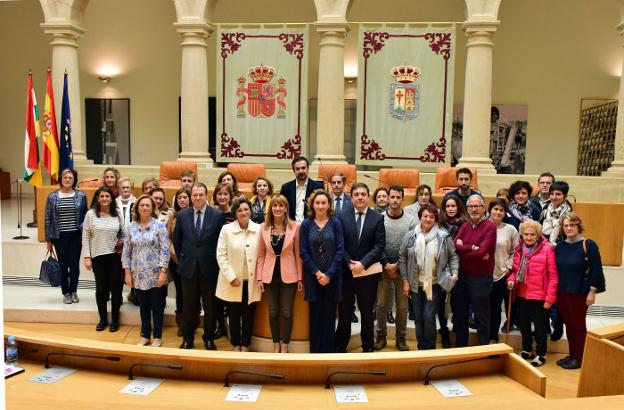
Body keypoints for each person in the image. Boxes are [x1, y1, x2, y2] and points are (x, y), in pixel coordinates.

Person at [174, 183, 226, 350]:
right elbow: (177, 241)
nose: (197, 198)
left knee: (210, 306)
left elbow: (221, 242)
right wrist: (185, 257)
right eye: (194, 195)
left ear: (206, 195)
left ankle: (209, 338)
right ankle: (188, 338)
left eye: (200, 195)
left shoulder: (217, 215)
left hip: (209, 268)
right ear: (191, 197)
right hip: (188, 268)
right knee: (189, 306)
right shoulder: (182, 215)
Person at [400, 204, 459, 350]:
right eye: (425, 216)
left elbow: (453, 256)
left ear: (436, 219)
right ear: (420, 217)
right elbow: (402, 257)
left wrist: (454, 272)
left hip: (434, 284)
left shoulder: (443, 236)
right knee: (418, 318)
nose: (428, 219)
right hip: (415, 285)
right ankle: (421, 347)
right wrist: (405, 281)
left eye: (431, 217)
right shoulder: (410, 235)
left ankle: (430, 348)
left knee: (428, 316)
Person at [336, 182, 385, 353]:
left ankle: (368, 348)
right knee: (344, 314)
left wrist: (363, 264)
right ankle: (340, 348)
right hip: (347, 273)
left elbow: (379, 246)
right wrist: (350, 263)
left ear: (368, 196)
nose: (360, 197)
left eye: (363, 194)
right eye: (356, 194)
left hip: (368, 274)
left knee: (366, 313)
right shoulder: (341, 216)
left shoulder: (377, 218)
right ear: (351, 197)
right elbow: (339, 244)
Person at [555, 213, 606, 369]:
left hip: (580, 291)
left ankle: (580, 357)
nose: (569, 228)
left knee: (578, 324)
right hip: (563, 291)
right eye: (566, 225)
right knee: (568, 324)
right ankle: (572, 355)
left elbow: (596, 269)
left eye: (572, 225)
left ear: (578, 226)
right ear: (562, 228)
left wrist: (592, 291)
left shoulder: (588, 244)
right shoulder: (560, 246)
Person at [507, 220, 558, 367]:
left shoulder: (547, 249)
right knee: (524, 324)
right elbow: (515, 272)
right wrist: (511, 280)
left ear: (538, 235)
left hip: (540, 295)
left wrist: (550, 298)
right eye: (526, 234)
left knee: (540, 326)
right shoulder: (519, 250)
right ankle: (527, 349)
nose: (528, 237)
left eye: (532, 235)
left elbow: (553, 277)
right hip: (522, 293)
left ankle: (541, 353)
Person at [256, 194, 303, 353]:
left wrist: (300, 278)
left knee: (287, 312)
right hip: (269, 276)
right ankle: (276, 343)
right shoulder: (263, 227)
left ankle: (285, 344)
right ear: (271, 208)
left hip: (289, 276)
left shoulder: (295, 227)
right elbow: (261, 255)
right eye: (275, 206)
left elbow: (298, 254)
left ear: (286, 208)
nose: (278, 208)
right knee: (273, 312)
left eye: (281, 206)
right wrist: (259, 277)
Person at [299, 189, 344, 353]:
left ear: (329, 205)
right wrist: (318, 273)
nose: (320, 206)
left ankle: (328, 353)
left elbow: (340, 251)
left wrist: (329, 274)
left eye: (323, 202)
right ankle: (315, 353)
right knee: (315, 317)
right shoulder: (306, 224)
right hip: (313, 278)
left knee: (330, 317)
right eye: (317, 202)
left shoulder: (335, 223)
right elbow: (303, 251)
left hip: (332, 277)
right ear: (312, 204)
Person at [122, 195, 170, 347]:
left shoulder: (159, 226)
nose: (144, 208)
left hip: (156, 274)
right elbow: (126, 252)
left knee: (157, 306)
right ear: (137, 208)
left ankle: (157, 336)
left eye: (148, 205)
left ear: (152, 208)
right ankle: (145, 335)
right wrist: (127, 273)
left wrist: (163, 271)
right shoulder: (130, 227)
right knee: (143, 306)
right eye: (141, 205)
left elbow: (165, 250)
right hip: (139, 275)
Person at [216, 197, 261, 352]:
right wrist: (231, 276)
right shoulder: (226, 230)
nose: (243, 212)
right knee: (234, 314)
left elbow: (261, 255)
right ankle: (235, 344)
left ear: (251, 211)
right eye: (240, 210)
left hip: (251, 279)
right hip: (233, 281)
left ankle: (245, 344)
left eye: (246, 209)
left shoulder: (259, 229)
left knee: (249, 315)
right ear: (235, 213)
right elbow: (221, 255)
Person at [452, 194, 496, 346]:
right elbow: (453, 246)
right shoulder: (465, 225)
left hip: (481, 279)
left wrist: (462, 249)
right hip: (462, 277)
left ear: (484, 208)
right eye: (470, 206)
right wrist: (470, 248)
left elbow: (481, 253)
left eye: (477, 206)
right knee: (460, 315)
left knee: (481, 316)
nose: (473, 209)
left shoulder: (490, 227)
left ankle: (483, 348)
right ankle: (460, 348)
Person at [374, 185, 415, 351]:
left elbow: (411, 246)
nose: (395, 200)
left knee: (402, 306)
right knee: (381, 304)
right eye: (392, 197)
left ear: (402, 199)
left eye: (398, 197)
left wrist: (398, 264)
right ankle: (381, 337)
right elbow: (378, 244)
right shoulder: (379, 218)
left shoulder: (411, 220)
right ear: (388, 198)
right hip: (383, 268)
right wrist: (386, 264)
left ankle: (401, 338)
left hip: (402, 269)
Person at [82, 187, 125, 332]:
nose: (105, 198)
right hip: (98, 257)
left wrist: (121, 246)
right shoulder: (91, 214)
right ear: (97, 198)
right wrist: (87, 257)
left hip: (115, 257)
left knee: (116, 289)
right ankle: (103, 319)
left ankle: (115, 320)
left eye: (107, 196)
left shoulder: (117, 213)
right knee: (101, 290)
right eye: (102, 196)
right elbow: (85, 236)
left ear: (111, 199)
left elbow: (124, 233)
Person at [44, 168, 88, 304]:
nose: (68, 179)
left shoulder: (81, 196)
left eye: (70, 177)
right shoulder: (52, 197)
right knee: (63, 265)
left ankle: (74, 291)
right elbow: (47, 219)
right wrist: (48, 240)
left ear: (74, 180)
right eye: (65, 177)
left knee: (74, 265)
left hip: (76, 235)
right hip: (59, 236)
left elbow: (86, 216)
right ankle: (66, 292)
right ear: (61, 179)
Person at [437, 195, 469, 347]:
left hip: (460, 269)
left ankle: (458, 336)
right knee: (441, 305)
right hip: (441, 269)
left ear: (458, 207)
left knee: (458, 305)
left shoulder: (466, 224)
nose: (450, 209)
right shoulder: (438, 224)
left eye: (453, 206)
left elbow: (466, 247)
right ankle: (443, 333)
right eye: (447, 206)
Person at [488, 198, 519, 343]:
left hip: (501, 275)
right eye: (495, 209)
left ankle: (493, 338)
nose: (498, 212)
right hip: (482, 275)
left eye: (501, 210)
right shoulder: (483, 226)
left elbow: (516, 252)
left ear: (505, 213)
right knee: (482, 309)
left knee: (495, 309)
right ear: (490, 210)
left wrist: (508, 267)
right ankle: (483, 337)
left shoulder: (510, 229)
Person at [167, 187, 192, 336]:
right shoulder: (172, 216)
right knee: (181, 293)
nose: (182, 200)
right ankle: (182, 324)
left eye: (185, 197)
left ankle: (193, 322)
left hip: (192, 261)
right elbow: (169, 238)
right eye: (179, 198)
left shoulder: (195, 215)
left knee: (193, 293)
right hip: (176, 261)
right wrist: (175, 255)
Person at [280, 156, 324, 222]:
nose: (301, 171)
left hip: (311, 225)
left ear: (308, 169)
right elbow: (281, 208)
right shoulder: (286, 188)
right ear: (294, 171)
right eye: (297, 169)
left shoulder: (318, 187)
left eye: (303, 168)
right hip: (290, 225)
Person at [540, 180, 573, 245]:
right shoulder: (545, 211)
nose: (554, 197)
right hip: (544, 248)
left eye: (558, 194)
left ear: (565, 196)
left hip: (562, 249)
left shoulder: (570, 215)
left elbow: (571, 238)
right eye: (552, 194)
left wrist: (554, 245)